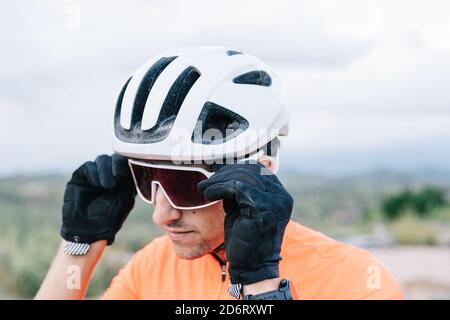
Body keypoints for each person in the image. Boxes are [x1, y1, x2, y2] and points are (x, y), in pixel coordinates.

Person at [35, 47, 403, 300]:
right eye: (146, 179)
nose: (161, 214)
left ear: (262, 172)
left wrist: (260, 284)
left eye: (183, 184)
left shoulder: (355, 281)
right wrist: (79, 246)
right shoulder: (152, 266)